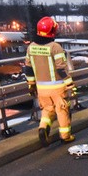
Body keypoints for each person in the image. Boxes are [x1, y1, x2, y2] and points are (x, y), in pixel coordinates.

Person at [24, 16, 75, 146]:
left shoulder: (31, 47)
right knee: (62, 110)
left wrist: (31, 85)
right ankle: (65, 136)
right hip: (57, 87)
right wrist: (69, 83)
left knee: (47, 110)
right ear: (52, 31)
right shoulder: (55, 47)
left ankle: (43, 127)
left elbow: (28, 69)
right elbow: (61, 68)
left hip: (41, 88)